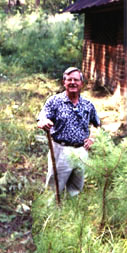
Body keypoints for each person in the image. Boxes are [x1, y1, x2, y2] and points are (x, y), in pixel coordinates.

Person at [37, 67, 100, 196]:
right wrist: (44, 122)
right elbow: (42, 117)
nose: (73, 82)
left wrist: (92, 138)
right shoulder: (54, 101)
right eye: (69, 79)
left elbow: (97, 125)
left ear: (81, 83)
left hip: (81, 151)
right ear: (64, 82)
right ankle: (51, 214)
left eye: (76, 80)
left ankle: (70, 214)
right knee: (54, 190)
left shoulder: (88, 104)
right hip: (60, 150)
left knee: (76, 190)